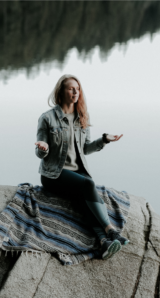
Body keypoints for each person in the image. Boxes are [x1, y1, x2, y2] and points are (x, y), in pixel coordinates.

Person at [34, 74, 129, 260]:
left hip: (76, 173)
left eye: (78, 89)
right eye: (71, 88)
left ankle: (104, 243)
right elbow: (39, 151)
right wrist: (43, 149)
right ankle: (110, 230)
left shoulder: (82, 117)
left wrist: (103, 140)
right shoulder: (47, 118)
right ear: (61, 91)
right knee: (88, 185)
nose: (76, 92)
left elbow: (85, 148)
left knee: (82, 201)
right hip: (54, 175)